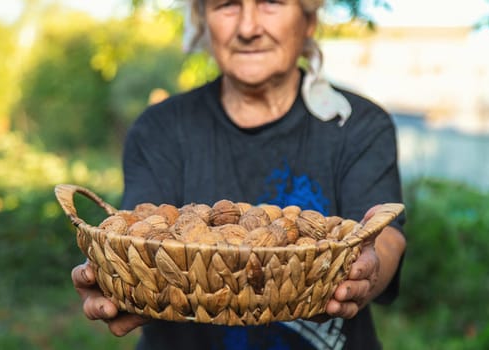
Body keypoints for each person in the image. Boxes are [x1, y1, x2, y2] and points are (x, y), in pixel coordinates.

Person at [71, 0, 406, 348]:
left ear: (309, 20)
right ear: (204, 22)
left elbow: (386, 238)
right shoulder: (160, 129)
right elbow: (136, 235)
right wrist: (113, 276)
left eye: (270, 3)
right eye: (227, 5)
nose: (248, 28)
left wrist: (368, 268)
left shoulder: (358, 125)